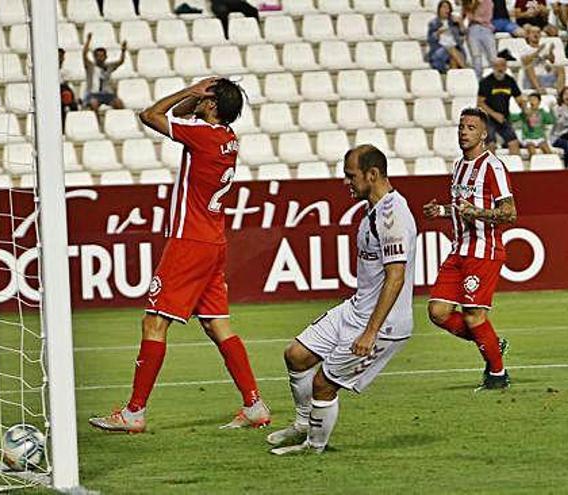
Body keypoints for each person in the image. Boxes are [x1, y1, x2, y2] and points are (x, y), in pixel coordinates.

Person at [88, 78, 271, 433]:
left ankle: (134, 413)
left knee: (154, 322)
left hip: (189, 241)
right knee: (217, 324)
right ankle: (254, 405)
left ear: (213, 106)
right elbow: (182, 117)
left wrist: (191, 90)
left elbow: (150, 114)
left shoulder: (202, 136)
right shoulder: (227, 140)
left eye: (208, 99)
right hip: (214, 241)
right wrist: (201, 100)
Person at [268, 145, 417, 455]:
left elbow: (396, 277)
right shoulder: (373, 209)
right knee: (296, 355)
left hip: (382, 324)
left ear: (372, 174)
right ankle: (303, 425)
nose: (346, 183)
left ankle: (314, 448)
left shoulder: (392, 217)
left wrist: (370, 332)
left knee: (323, 383)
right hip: (357, 308)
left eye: (351, 176)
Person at [424, 108, 517, 391]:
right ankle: (490, 344)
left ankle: (497, 375)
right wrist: (441, 210)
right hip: (459, 250)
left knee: (473, 314)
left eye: (471, 127)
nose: (464, 132)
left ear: (484, 133)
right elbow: (461, 209)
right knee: (438, 312)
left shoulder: (493, 166)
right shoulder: (459, 166)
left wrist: (476, 212)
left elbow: (509, 212)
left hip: (483, 250)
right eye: (462, 127)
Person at [477, 57, 526, 154]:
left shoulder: (510, 81)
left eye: (502, 66)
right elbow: (480, 103)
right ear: (493, 67)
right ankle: (490, 167)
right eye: (497, 66)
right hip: (488, 118)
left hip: (504, 117)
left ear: (506, 67)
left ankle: (514, 168)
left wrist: (525, 109)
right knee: (491, 144)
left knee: (514, 142)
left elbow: (519, 99)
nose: (500, 68)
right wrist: (495, 114)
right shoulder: (486, 82)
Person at [83, 34, 126, 112]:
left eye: (102, 56)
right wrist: (88, 41)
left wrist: (123, 51)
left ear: (106, 57)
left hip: (107, 94)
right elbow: (84, 55)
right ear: (94, 57)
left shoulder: (109, 66)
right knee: (94, 104)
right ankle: (97, 123)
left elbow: (121, 61)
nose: (100, 58)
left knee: (119, 103)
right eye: (98, 56)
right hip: (93, 94)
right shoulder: (90, 66)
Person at [517, 26, 565, 92]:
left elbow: (552, 61)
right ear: (528, 35)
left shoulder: (544, 48)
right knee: (529, 67)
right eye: (533, 32)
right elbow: (525, 61)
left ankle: (561, 94)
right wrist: (538, 51)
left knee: (560, 68)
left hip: (544, 77)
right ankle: (538, 88)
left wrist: (550, 51)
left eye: (538, 32)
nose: (536, 34)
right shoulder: (525, 48)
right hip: (530, 80)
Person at [428, 1, 467, 73]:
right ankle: (466, 70)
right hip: (439, 50)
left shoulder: (453, 22)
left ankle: (455, 80)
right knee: (450, 48)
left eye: (448, 8)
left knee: (453, 61)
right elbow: (431, 40)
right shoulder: (433, 23)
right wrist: (438, 33)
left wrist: (461, 23)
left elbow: (463, 33)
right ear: (439, 9)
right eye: (444, 7)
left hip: (456, 50)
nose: (446, 10)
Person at [463, 0, 498, 79]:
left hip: (486, 29)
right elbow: (467, 16)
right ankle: (478, 81)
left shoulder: (488, 2)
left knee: (492, 56)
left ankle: (496, 79)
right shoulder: (469, 2)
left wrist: (475, 18)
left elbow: (488, 17)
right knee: (476, 56)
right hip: (472, 29)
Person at [59, 48, 79, 132]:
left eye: (60, 56)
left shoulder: (66, 72)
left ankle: (74, 126)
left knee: (72, 105)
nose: (59, 58)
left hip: (63, 92)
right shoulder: (47, 71)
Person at [548, 86, 568, 165]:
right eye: (566, 94)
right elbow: (557, 124)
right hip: (557, 136)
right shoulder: (556, 109)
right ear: (562, 96)